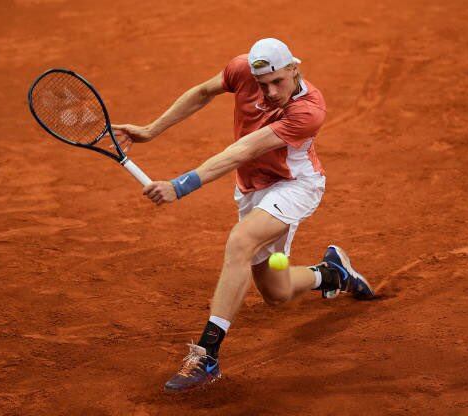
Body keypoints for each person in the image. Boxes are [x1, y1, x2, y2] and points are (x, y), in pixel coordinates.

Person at [112, 38, 375, 393]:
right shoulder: (242, 69)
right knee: (275, 292)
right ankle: (332, 274)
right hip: (252, 189)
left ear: (294, 69)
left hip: (294, 186)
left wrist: (180, 185)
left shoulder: (309, 110)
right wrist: (150, 129)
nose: (268, 91)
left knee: (241, 242)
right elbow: (203, 92)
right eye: (262, 83)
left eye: (277, 82)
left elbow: (243, 150)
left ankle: (206, 355)